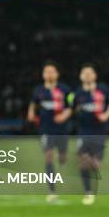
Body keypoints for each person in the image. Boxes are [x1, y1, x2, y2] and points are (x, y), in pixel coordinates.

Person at [26, 61, 72, 203]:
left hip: (62, 129)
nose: (49, 74)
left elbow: (71, 106)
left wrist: (64, 115)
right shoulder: (38, 91)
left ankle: (62, 160)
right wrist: (31, 113)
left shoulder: (65, 89)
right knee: (48, 156)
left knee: (63, 157)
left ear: (57, 74)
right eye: (47, 71)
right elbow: (33, 103)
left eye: (52, 71)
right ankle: (52, 190)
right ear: (43, 74)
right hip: (46, 130)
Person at [71, 63, 109, 205]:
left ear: (95, 75)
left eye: (90, 73)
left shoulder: (103, 90)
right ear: (80, 76)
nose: (87, 75)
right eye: (84, 73)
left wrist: (106, 115)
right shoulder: (77, 93)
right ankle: (88, 192)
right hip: (84, 132)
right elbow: (73, 110)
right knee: (83, 162)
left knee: (96, 166)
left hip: (100, 132)